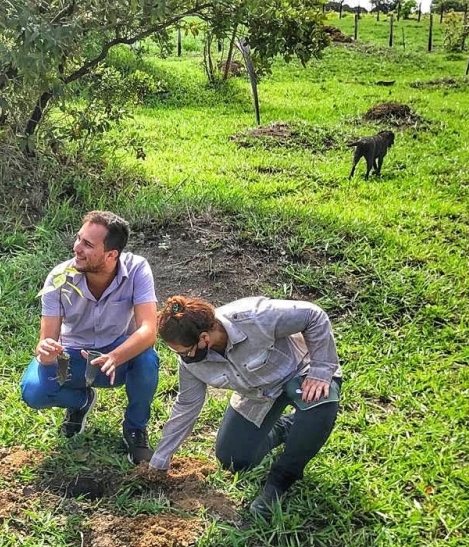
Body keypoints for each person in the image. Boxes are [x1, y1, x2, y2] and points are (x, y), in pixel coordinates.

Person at [150, 295, 342, 519]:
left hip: (300, 372)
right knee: (234, 458)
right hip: (258, 395)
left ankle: (281, 480)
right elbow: (186, 406)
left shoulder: (254, 317)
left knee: (319, 403)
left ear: (204, 338)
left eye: (184, 351)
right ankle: (288, 428)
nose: (183, 357)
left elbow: (312, 315)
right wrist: (160, 461)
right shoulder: (192, 364)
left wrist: (321, 369)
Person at [20, 211, 160, 465]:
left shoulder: (138, 269)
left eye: (87, 244)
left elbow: (148, 330)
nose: (77, 248)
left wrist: (116, 355)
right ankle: (81, 401)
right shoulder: (59, 277)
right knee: (34, 391)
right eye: (78, 239)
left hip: (117, 358)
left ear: (111, 255)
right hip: (72, 356)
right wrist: (46, 352)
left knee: (147, 359)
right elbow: (46, 339)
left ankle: (135, 428)